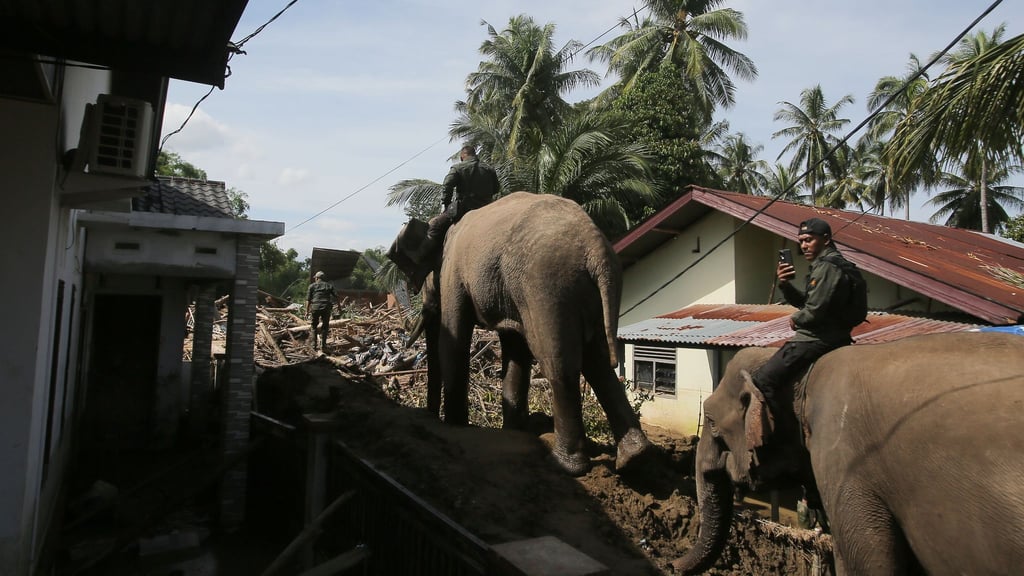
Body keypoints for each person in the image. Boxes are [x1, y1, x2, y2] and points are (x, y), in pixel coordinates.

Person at [753, 218, 855, 423]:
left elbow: (813, 311)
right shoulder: (828, 265)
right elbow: (808, 303)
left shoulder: (828, 267)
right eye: (801, 241)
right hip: (832, 334)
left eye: (809, 240)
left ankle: (784, 432)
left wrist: (796, 319)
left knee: (763, 379)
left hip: (818, 338)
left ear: (826, 240)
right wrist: (785, 285)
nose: (804, 246)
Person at [407, 144, 500, 292]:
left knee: (434, 227)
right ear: (475, 155)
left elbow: (447, 186)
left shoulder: (458, 168)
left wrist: (446, 204)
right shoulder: (489, 169)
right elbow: (496, 188)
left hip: (465, 209)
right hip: (487, 209)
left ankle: (419, 273)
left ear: (462, 156)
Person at [305, 270, 338, 351]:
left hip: (315, 307)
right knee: (325, 326)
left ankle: (314, 346)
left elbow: (308, 300)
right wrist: (339, 307)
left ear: (317, 278)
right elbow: (337, 297)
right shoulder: (329, 286)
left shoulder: (312, 286)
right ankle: (323, 346)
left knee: (313, 326)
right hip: (326, 307)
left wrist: (306, 311)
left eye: (315, 278)